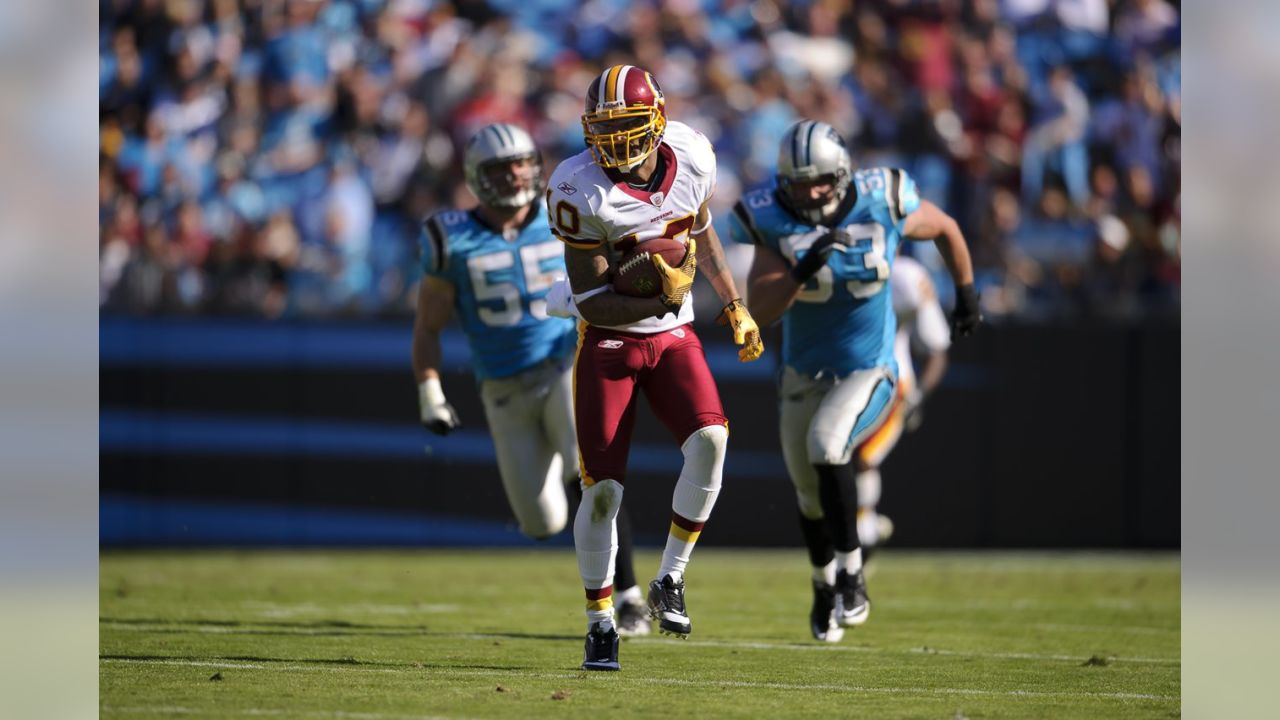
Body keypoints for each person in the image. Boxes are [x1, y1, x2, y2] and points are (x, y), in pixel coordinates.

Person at [542, 64, 764, 671]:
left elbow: (705, 234)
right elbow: (588, 298)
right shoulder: (576, 187)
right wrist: (657, 293)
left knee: (713, 440)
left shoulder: (692, 155)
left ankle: (670, 580)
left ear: (658, 119)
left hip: (673, 337)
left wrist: (735, 303)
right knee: (604, 491)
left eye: (629, 126)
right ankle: (600, 622)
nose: (616, 143)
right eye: (604, 130)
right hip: (611, 344)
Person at [730, 119, 980, 643]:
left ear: (843, 174)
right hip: (802, 374)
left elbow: (947, 229)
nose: (810, 192)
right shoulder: (771, 219)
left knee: (828, 444)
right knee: (808, 498)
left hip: (870, 367)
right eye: (798, 183)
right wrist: (800, 271)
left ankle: (852, 574)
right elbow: (761, 310)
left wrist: (967, 294)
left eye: (820, 180)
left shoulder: (882, 196)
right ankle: (824, 586)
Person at [411, 123, 649, 635]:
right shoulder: (449, 237)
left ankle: (627, 596)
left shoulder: (561, 211)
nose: (516, 174)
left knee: (594, 474)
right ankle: (577, 497)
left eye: (522, 162)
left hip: (566, 362)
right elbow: (428, 324)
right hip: (502, 387)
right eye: (502, 167)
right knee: (542, 522)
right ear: (478, 177)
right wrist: (430, 388)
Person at [853, 254, 953, 553]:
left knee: (863, 456)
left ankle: (863, 532)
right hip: (837, 379)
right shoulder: (834, 259)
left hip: (890, 382)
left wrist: (919, 394)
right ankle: (865, 526)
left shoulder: (907, 277)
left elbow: (937, 348)